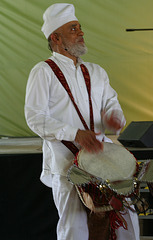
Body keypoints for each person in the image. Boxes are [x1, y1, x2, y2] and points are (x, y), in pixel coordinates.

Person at [25, 3, 140, 240]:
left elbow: (111, 104)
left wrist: (115, 118)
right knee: (74, 229)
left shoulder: (97, 71)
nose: (81, 32)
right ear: (55, 37)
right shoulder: (43, 71)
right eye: (73, 29)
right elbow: (34, 117)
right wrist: (75, 134)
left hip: (103, 160)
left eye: (80, 27)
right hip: (67, 165)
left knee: (126, 222)